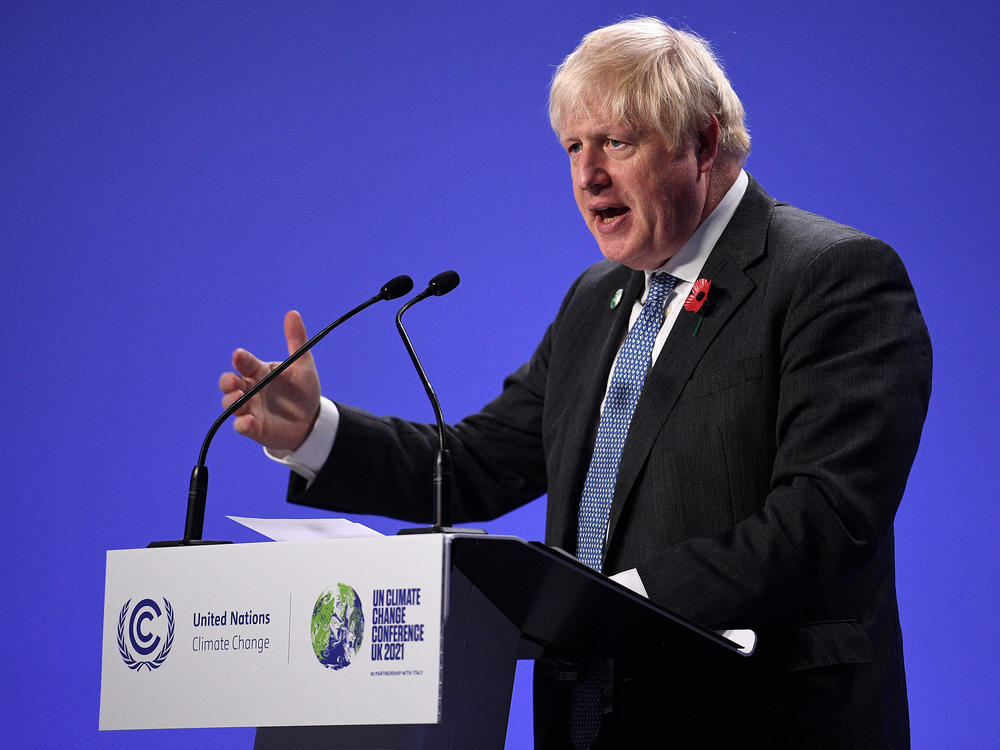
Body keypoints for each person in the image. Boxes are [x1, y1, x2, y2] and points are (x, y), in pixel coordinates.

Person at [220, 17, 931, 749]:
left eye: (616, 143)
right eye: (573, 148)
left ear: (704, 144)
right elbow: (480, 465)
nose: (588, 175)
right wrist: (313, 433)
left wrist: (616, 606)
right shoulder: (598, 297)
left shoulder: (831, 276)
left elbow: (824, 520)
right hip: (590, 723)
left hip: (761, 723)